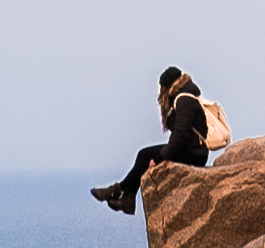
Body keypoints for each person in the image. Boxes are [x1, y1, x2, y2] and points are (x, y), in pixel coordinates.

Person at [95, 67, 224, 214]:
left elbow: (181, 134)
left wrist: (160, 156)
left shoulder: (184, 100)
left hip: (194, 154)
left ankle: (118, 190)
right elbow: (180, 134)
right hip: (192, 150)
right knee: (143, 154)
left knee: (147, 157)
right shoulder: (183, 97)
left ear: (167, 85)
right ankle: (128, 198)